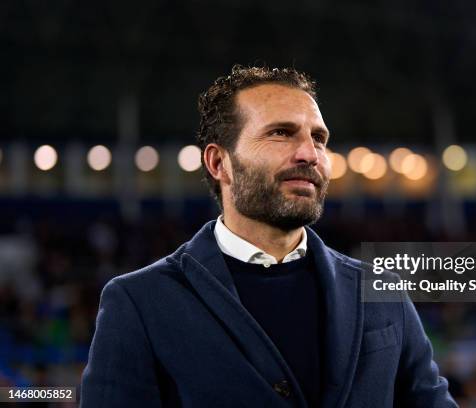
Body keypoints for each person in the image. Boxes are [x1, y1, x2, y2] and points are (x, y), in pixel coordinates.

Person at [80, 65, 456, 407]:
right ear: (218, 163)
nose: (310, 153)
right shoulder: (140, 302)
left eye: (319, 139)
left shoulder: (382, 292)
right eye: (281, 133)